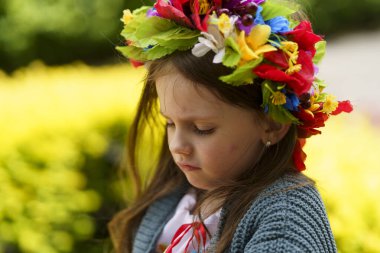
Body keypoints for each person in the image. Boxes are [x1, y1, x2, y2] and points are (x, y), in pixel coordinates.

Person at [109, 0, 353, 252]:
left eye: (202, 128)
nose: (177, 146)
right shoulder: (176, 197)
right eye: (169, 123)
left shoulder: (285, 216)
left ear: (272, 124)